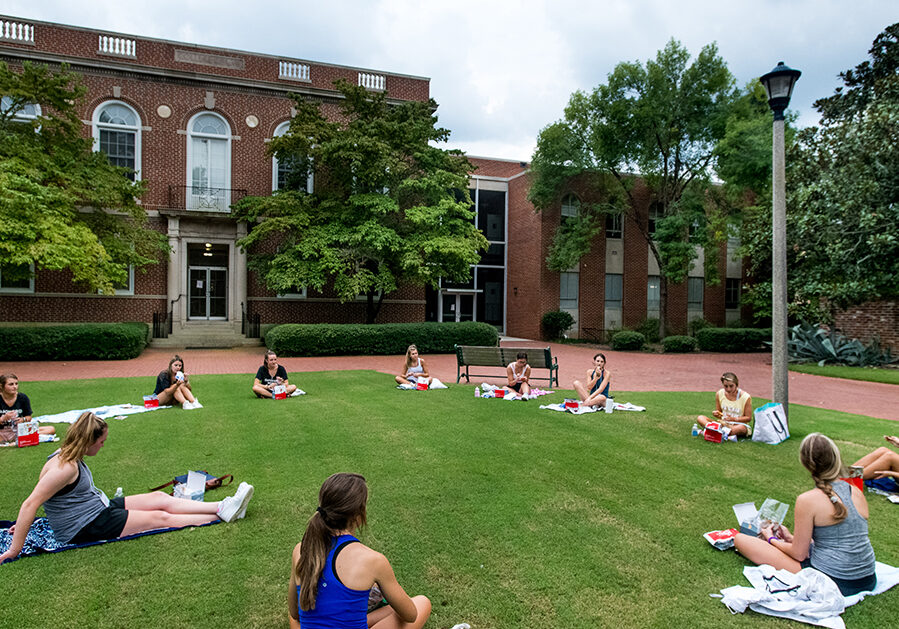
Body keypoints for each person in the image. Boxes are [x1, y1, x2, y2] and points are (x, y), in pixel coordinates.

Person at [0, 411, 254, 565]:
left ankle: (222, 506)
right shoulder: (65, 467)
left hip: (97, 508)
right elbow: (31, 502)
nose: (102, 446)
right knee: (159, 518)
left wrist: (25, 524)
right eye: (101, 442)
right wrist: (15, 548)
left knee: (158, 497)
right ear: (88, 439)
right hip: (86, 526)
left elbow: (39, 495)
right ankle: (221, 515)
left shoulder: (64, 455)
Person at [734, 433, 876, 596]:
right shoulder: (856, 492)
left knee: (740, 539)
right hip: (868, 578)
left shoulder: (807, 500)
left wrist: (771, 539)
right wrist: (791, 538)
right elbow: (842, 536)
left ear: (806, 464)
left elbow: (799, 554)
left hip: (835, 580)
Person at [288, 473, 431, 629]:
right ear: (360, 514)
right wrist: (381, 583)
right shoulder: (372, 560)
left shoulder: (301, 549)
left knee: (389, 609)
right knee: (422, 602)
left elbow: (295, 613)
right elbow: (410, 615)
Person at [0, 373, 55, 444]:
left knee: (51, 429)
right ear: (1, 386)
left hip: (19, 430)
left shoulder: (22, 398)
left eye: (16, 384)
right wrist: (3, 418)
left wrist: (23, 419)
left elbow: (29, 417)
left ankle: (15, 439)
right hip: (1, 431)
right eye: (11, 384)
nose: (15, 387)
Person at [696, 372, 753, 438]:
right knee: (700, 418)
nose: (728, 389)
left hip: (738, 425)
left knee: (742, 428)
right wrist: (716, 413)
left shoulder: (746, 397)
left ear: (736, 384)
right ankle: (721, 433)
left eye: (731, 386)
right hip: (723, 424)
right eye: (726, 386)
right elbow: (720, 414)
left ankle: (712, 431)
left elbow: (748, 418)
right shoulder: (719, 393)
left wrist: (733, 419)